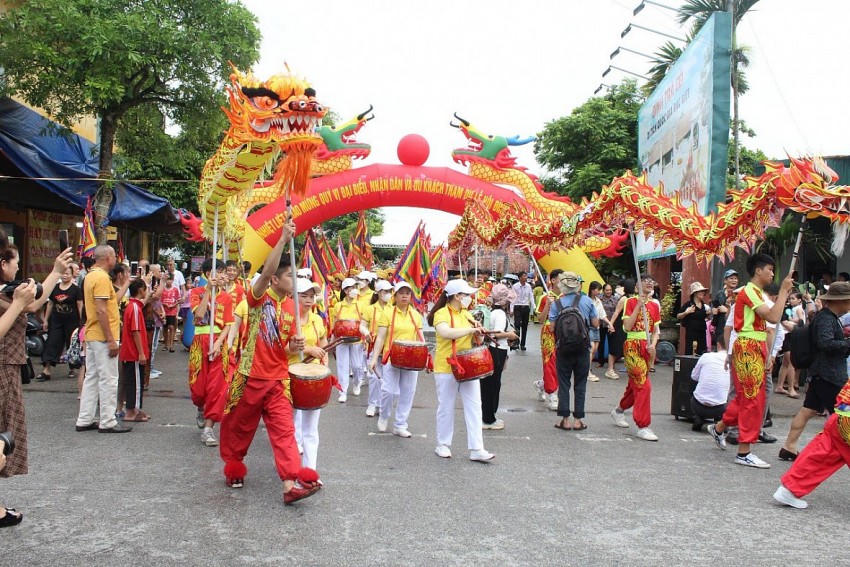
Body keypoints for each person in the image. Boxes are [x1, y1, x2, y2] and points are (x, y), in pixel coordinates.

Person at [219, 223, 321, 505]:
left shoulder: (293, 307)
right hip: (250, 376)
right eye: (290, 275)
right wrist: (283, 239)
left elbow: (286, 348)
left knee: (285, 432)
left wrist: (295, 347)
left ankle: (290, 484)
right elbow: (265, 272)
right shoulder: (258, 296)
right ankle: (234, 467)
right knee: (239, 428)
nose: (295, 281)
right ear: (275, 280)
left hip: (278, 379)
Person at [0, 230, 71, 527]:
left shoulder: (5, 289)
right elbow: (25, 307)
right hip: (2, 368)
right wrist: (19, 302)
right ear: (3, 262)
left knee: (5, 438)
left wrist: (55, 272)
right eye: (14, 261)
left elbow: (32, 304)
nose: (18, 267)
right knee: (3, 440)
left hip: (8, 366)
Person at [708, 253, 792, 468]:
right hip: (748, 348)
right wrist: (783, 291)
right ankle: (744, 451)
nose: (772, 273)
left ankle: (718, 428)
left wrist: (768, 354)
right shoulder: (748, 291)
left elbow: (767, 325)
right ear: (758, 270)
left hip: (755, 346)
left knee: (747, 397)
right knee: (753, 400)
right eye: (770, 269)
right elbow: (773, 317)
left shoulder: (756, 292)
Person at [778, 281, 850, 462]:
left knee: (807, 410)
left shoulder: (825, 317)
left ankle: (789, 446)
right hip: (829, 375)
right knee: (842, 416)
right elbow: (825, 343)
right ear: (840, 301)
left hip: (820, 374)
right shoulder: (827, 319)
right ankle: (828, 452)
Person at [427, 279, 494, 462]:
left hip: (468, 365)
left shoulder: (466, 313)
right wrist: (470, 331)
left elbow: (474, 335)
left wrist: (478, 332)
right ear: (457, 296)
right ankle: (443, 444)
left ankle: (477, 448)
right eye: (466, 295)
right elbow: (446, 333)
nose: (469, 298)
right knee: (446, 406)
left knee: (474, 406)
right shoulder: (441, 313)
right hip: (446, 366)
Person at [75, 244, 132, 434]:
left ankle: (85, 418)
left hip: (93, 334)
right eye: (114, 256)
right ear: (107, 257)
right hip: (102, 336)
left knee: (92, 377)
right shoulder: (100, 277)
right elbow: (101, 310)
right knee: (108, 378)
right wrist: (110, 339)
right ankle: (107, 421)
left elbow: (110, 302)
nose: (116, 259)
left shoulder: (92, 276)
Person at [773, 376, 850, 509]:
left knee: (822, 453)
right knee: (823, 452)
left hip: (842, 412)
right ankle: (790, 489)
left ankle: (790, 489)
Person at [369, 281, 426, 437]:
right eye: (401, 293)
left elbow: (420, 338)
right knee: (389, 390)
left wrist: (426, 358)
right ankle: (384, 415)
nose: (404, 296)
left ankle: (400, 424)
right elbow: (380, 338)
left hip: (411, 359)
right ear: (395, 295)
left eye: (407, 293)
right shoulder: (387, 313)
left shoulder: (416, 315)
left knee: (408, 392)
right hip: (392, 357)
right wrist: (374, 359)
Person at [188, 260, 233, 447]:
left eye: (224, 272)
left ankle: (208, 429)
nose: (223, 276)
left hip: (218, 345)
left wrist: (219, 343)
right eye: (219, 272)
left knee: (218, 387)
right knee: (198, 388)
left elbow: (229, 325)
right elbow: (198, 316)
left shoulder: (228, 298)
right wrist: (208, 291)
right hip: (200, 342)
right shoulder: (196, 293)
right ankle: (200, 406)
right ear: (208, 274)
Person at [610, 275, 661, 441]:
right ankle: (643, 425)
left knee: (635, 385)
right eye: (645, 280)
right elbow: (627, 327)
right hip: (633, 346)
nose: (649, 283)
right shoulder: (630, 302)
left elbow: (656, 331)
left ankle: (618, 410)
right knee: (644, 386)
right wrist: (639, 305)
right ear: (637, 286)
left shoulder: (654, 305)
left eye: (651, 281)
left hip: (647, 347)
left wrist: (653, 345)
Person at [550, 272, 598, 431]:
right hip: (583, 348)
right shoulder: (587, 301)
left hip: (563, 348)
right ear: (577, 285)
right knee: (581, 383)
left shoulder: (556, 304)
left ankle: (565, 419)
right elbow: (595, 324)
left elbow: (551, 328)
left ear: (562, 286)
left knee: (563, 383)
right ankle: (578, 420)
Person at [291, 278, 328, 472]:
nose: (308, 300)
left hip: (312, 378)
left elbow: (323, 341)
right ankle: (289, 467)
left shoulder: (317, 319)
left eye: (311, 296)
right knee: (288, 425)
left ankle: (310, 471)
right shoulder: (287, 317)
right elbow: (284, 344)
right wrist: (309, 349)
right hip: (288, 376)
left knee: (311, 428)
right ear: (293, 296)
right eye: (303, 295)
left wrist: (324, 365)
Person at [480, 284, 518, 430]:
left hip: (491, 350)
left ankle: (487, 416)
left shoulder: (492, 312)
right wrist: (510, 335)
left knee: (488, 384)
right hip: (497, 350)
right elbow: (495, 333)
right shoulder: (500, 314)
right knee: (493, 385)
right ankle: (489, 419)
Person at [37, 266, 82, 381]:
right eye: (63, 273)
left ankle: (73, 367)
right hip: (56, 321)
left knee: (71, 344)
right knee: (52, 342)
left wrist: (82, 322)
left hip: (72, 322)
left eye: (67, 273)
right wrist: (46, 320)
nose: (65, 275)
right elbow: (50, 304)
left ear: (72, 275)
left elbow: (80, 306)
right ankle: (46, 370)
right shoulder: (55, 288)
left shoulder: (76, 289)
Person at [360, 279, 392, 417]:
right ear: (378, 293)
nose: (388, 294)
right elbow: (362, 325)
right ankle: (372, 404)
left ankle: (382, 405)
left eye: (390, 291)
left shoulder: (393, 308)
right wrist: (366, 333)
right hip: (374, 345)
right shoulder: (370, 309)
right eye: (385, 291)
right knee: (373, 377)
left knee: (386, 378)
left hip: (389, 348)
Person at [119, 279, 150, 423]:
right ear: (140, 290)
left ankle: (133, 409)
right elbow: (136, 331)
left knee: (132, 381)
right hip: (134, 353)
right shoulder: (135, 308)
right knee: (135, 383)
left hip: (129, 352)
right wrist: (141, 352)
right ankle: (132, 410)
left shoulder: (132, 306)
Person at [534, 269, 562, 410]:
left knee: (560, 363)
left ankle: (541, 384)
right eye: (560, 279)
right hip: (548, 332)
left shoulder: (567, 297)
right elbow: (540, 319)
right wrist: (548, 305)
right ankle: (552, 395)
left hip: (563, 332)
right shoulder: (545, 297)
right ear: (553, 280)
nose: (563, 281)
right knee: (549, 362)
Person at [332, 277, 365, 403]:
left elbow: (364, 323)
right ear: (345, 291)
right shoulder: (338, 306)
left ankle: (357, 383)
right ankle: (343, 391)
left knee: (357, 366)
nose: (353, 290)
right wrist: (333, 340)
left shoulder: (361, 305)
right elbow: (335, 323)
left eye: (354, 288)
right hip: (342, 340)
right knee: (342, 366)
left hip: (357, 340)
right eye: (350, 288)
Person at [690, 334, 731, 432]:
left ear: (718, 345)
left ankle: (698, 417)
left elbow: (694, 376)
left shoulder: (706, 356)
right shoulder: (734, 361)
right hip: (721, 407)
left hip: (698, 404)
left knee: (693, 387)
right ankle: (721, 420)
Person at [775, 292, 806, 398]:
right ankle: (790, 388)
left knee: (787, 363)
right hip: (787, 336)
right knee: (790, 363)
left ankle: (781, 386)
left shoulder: (798, 309)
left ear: (799, 300)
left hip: (791, 335)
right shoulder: (786, 309)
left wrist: (791, 322)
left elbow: (801, 321)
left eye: (793, 298)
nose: (790, 300)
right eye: (789, 298)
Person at [678, 282, 711, 355]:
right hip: (691, 332)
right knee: (691, 352)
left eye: (703, 291)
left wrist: (708, 314)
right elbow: (678, 316)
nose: (703, 293)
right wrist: (686, 312)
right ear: (695, 293)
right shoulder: (689, 304)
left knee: (702, 352)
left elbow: (705, 318)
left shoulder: (704, 306)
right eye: (700, 291)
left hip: (702, 332)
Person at [711, 269, 738, 348]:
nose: (734, 280)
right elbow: (715, 311)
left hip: (734, 327)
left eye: (735, 278)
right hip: (721, 326)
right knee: (721, 349)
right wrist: (715, 312)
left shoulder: (740, 293)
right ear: (725, 281)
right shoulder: (720, 294)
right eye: (731, 278)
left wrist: (726, 310)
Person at [587, 281, 608, 381]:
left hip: (597, 327)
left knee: (594, 349)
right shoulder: (586, 300)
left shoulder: (598, 301)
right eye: (598, 289)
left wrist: (610, 324)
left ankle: (586, 368)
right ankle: (588, 371)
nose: (599, 292)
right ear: (592, 289)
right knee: (591, 349)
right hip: (588, 327)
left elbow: (602, 314)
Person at [605, 281, 627, 380]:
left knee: (622, 348)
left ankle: (613, 368)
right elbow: (616, 312)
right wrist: (611, 324)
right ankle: (610, 370)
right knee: (614, 348)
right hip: (618, 325)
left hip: (625, 326)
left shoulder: (632, 298)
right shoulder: (623, 299)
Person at [598, 282, 618, 371]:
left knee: (612, 344)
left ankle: (612, 362)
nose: (609, 291)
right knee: (600, 343)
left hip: (611, 325)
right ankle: (600, 361)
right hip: (601, 324)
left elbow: (617, 312)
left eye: (610, 290)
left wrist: (613, 324)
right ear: (603, 290)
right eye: (607, 290)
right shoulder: (599, 298)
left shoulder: (615, 299)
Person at [511, 272, 534, 351]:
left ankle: (523, 344)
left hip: (526, 307)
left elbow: (531, 296)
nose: (526, 277)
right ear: (520, 278)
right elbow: (512, 298)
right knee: (517, 325)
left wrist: (533, 307)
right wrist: (511, 309)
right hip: (517, 307)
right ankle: (516, 343)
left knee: (524, 326)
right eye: (524, 276)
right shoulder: (515, 286)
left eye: (526, 276)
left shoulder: (528, 286)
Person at [161, 273, 180, 353]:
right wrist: (165, 304)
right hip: (164, 311)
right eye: (167, 279)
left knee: (171, 327)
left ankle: (171, 345)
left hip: (172, 311)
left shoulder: (175, 289)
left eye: (170, 280)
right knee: (165, 328)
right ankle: (166, 344)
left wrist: (173, 305)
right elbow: (160, 300)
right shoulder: (162, 289)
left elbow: (178, 300)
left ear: (172, 280)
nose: (168, 281)